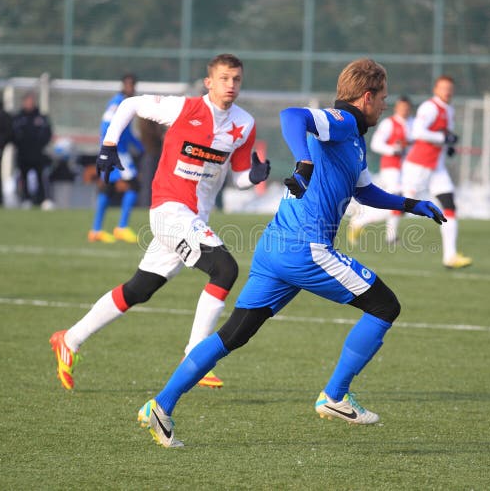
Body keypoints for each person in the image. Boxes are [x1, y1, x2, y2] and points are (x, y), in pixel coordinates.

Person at [136, 58, 446, 448]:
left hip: (275, 249)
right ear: (366, 97)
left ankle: (161, 405)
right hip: (305, 249)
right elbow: (291, 116)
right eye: (382, 98)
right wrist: (303, 160)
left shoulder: (354, 141)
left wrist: (411, 204)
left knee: (233, 335)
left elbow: (365, 192)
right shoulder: (344, 120)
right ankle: (334, 396)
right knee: (385, 307)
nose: (384, 105)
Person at [49, 53, 270, 392]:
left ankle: (70, 338)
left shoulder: (244, 124)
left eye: (236, 79)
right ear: (209, 81)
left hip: (194, 217)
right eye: (224, 78)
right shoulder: (185, 108)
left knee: (140, 288)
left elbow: (240, 176)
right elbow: (131, 105)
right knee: (225, 269)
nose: (231, 85)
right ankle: (195, 356)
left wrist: (254, 176)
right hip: (169, 210)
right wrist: (108, 146)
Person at [402, 75, 472, 269]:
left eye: (450, 88)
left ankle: (450, 256)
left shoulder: (449, 110)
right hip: (419, 166)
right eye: (443, 88)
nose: (447, 91)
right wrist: (443, 138)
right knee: (401, 206)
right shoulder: (430, 107)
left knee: (449, 205)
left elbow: (444, 136)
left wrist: (448, 144)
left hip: (436, 168)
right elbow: (417, 132)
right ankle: (361, 220)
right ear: (436, 89)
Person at [347, 96, 412, 246]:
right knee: (399, 201)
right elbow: (376, 144)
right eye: (402, 107)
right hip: (391, 168)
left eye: (407, 108)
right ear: (396, 108)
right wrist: (393, 150)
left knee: (402, 203)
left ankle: (390, 235)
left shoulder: (412, 123)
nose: (404, 110)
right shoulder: (389, 123)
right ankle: (360, 221)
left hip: (408, 169)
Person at [89, 73, 145, 243]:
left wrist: (139, 146)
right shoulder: (117, 102)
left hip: (116, 149)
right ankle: (121, 227)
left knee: (108, 188)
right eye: (127, 84)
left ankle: (96, 231)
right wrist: (109, 147)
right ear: (123, 85)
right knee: (133, 184)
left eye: (132, 84)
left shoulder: (125, 102)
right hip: (117, 151)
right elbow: (106, 125)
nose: (130, 87)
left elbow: (126, 132)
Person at [12, 93, 52, 206]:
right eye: (28, 101)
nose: (30, 103)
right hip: (23, 153)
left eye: (31, 101)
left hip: (38, 153)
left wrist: (40, 145)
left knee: (41, 177)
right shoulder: (18, 118)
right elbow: (13, 134)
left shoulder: (41, 117)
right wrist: (20, 144)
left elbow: (47, 133)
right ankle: (25, 199)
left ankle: (42, 199)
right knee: (23, 177)